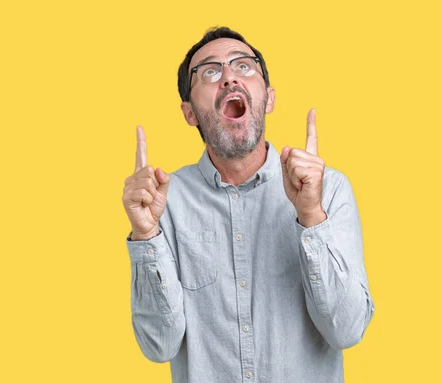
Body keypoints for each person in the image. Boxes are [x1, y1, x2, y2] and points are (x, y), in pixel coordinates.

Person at [121, 26, 374, 382]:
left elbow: (347, 331)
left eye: (243, 66)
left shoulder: (328, 190)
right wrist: (146, 235)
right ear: (189, 112)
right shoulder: (164, 202)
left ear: (268, 98)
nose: (228, 77)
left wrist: (312, 217)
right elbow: (158, 346)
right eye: (209, 71)